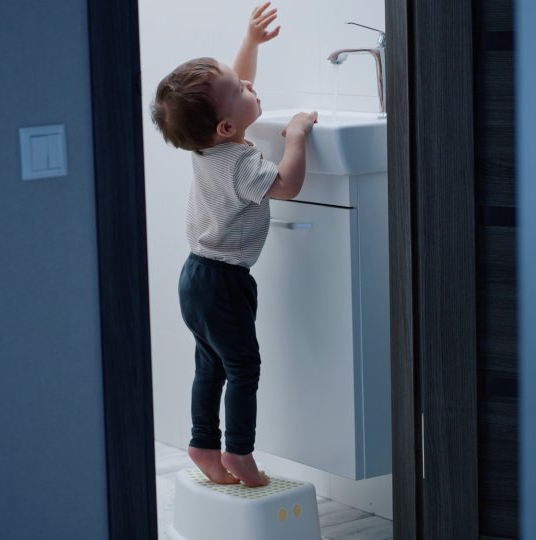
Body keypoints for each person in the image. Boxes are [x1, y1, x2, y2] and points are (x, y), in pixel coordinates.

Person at [149, 2, 317, 487]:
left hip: (196, 276)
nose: (250, 86)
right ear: (227, 126)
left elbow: (231, 92)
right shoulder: (241, 164)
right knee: (244, 367)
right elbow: (285, 185)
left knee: (212, 363)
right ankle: (239, 453)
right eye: (243, 89)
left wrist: (249, 43)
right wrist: (297, 135)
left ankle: (203, 443)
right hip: (224, 281)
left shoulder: (208, 144)